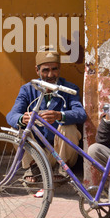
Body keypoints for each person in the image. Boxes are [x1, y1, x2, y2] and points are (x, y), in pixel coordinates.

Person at [6, 47, 87, 183]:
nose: (50, 75)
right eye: (45, 70)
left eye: (54, 69)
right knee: (17, 128)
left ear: (59, 69)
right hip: (38, 153)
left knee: (69, 128)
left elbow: (81, 114)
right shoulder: (28, 89)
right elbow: (11, 115)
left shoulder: (69, 88)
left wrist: (60, 115)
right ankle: (33, 167)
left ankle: (62, 169)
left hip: (61, 153)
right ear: (37, 71)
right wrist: (22, 119)